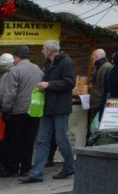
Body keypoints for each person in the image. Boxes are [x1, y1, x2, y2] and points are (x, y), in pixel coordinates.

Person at [19, 40, 77, 183]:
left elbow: (70, 83)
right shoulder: (49, 63)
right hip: (48, 107)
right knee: (42, 140)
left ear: (51, 50)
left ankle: (70, 166)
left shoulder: (66, 62)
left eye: (44, 49)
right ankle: (36, 173)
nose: (42, 51)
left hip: (60, 107)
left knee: (61, 139)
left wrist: (49, 84)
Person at [1, 47, 42, 178]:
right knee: (29, 140)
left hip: (17, 111)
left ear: (18, 57)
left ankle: (12, 168)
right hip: (34, 110)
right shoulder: (38, 69)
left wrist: (5, 109)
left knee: (15, 140)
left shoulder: (15, 70)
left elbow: (10, 93)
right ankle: (25, 168)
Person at [88, 49, 112, 121]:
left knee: (96, 123)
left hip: (99, 102)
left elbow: (106, 87)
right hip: (97, 101)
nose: (92, 59)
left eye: (93, 57)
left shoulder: (105, 67)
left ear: (96, 56)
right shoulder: (100, 66)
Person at [0, 53, 14, 169]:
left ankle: (3, 163)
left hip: (5, 110)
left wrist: (4, 108)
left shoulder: (6, 75)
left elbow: (2, 94)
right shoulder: (16, 72)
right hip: (15, 109)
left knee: (4, 138)